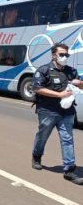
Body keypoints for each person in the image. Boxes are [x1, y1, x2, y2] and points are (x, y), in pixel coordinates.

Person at [31, 43, 83, 185]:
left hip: (67, 111)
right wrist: (59, 94)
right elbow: (37, 88)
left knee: (67, 139)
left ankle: (69, 170)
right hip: (48, 111)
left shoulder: (71, 71)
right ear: (53, 55)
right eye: (62, 54)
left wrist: (79, 83)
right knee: (43, 136)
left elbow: (80, 86)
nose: (65, 57)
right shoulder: (44, 70)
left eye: (67, 55)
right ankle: (36, 156)